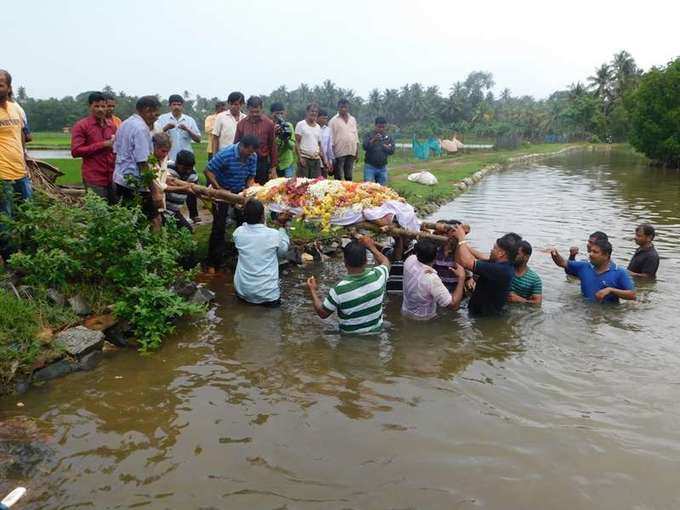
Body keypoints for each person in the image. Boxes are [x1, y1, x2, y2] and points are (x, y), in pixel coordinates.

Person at [307, 236, 390, 334]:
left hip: (350, 339)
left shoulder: (338, 290)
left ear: (345, 262)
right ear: (366, 261)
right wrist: (372, 247)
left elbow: (322, 313)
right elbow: (386, 262)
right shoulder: (378, 275)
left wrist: (312, 290)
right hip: (376, 334)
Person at [204, 134, 259, 272]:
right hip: (222, 192)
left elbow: (251, 176)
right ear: (242, 146)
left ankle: (240, 257)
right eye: (249, 151)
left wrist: (248, 189)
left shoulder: (252, 156)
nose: (250, 155)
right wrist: (219, 188)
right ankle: (213, 262)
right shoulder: (225, 154)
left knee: (245, 224)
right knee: (219, 226)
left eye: (253, 152)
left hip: (239, 192)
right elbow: (208, 171)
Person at [233, 199, 291, 306]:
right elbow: (283, 252)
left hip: (243, 292)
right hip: (268, 295)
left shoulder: (238, 233)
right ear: (262, 216)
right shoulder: (274, 235)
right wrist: (282, 226)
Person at [113, 95, 161, 222]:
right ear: (148, 111)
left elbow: (115, 151)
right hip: (135, 183)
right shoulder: (141, 129)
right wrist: (154, 191)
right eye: (155, 114)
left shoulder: (125, 124)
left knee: (128, 219)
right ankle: (154, 242)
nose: (156, 118)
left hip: (120, 179)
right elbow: (142, 163)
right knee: (155, 220)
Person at [452, 225, 519, 316]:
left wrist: (462, 238)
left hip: (483, 316)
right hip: (483, 313)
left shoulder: (499, 270)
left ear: (501, 253)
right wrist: (461, 241)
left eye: (494, 248)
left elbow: (466, 262)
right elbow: (482, 257)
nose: (491, 250)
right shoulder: (506, 265)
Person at [0, 69, 31, 263]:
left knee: (29, 215)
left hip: (21, 172)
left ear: (9, 87)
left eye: (0, 84)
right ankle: (11, 262)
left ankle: (29, 257)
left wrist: (25, 159)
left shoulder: (17, 109)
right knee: (5, 219)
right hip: (1, 175)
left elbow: (24, 136)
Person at [551, 238, 636, 303]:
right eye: (591, 251)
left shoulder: (619, 272)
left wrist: (611, 290)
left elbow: (632, 295)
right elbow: (562, 263)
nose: (590, 254)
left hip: (606, 315)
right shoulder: (584, 266)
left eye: (595, 252)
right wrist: (555, 254)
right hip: (585, 308)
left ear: (606, 255)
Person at [70, 91, 117, 203]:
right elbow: (75, 151)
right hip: (94, 177)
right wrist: (103, 145)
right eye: (96, 106)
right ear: (90, 106)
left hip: (112, 176)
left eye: (103, 106)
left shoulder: (112, 126)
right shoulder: (81, 126)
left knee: (116, 210)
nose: (100, 109)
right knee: (98, 212)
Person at [401, 239, 466, 320]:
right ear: (435, 257)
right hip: (424, 320)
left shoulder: (409, 260)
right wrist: (462, 278)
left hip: (405, 312)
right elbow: (454, 305)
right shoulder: (431, 279)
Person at [234, 96, 277, 185]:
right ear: (247, 109)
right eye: (252, 112)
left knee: (261, 190)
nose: (254, 114)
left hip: (262, 163)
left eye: (257, 112)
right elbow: (236, 145)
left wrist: (273, 167)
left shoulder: (269, 124)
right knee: (245, 188)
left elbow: (272, 145)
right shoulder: (241, 124)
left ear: (261, 109)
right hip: (245, 162)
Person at [154, 94, 201, 161]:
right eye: (174, 104)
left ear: (182, 106)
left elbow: (198, 139)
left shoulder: (189, 120)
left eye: (179, 105)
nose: (177, 107)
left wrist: (188, 129)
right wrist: (166, 128)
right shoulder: (162, 119)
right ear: (170, 106)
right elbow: (154, 138)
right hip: (167, 158)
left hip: (186, 159)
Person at [165, 150, 200, 231]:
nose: (187, 171)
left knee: (188, 231)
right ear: (177, 163)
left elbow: (194, 191)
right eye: (184, 168)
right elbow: (164, 187)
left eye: (189, 169)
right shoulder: (168, 168)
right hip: (163, 207)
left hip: (175, 210)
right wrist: (185, 188)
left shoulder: (193, 174)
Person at [295, 103, 328, 178]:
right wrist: (300, 158)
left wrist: (324, 160)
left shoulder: (318, 127)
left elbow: (319, 145)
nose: (314, 113)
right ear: (307, 112)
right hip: (304, 158)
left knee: (315, 184)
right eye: (312, 111)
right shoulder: (301, 124)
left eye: (316, 112)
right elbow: (297, 142)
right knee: (303, 183)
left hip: (316, 159)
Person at [328, 98, 359, 181]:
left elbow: (356, 136)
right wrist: (332, 155)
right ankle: (338, 193)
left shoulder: (353, 119)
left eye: (345, 107)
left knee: (349, 175)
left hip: (351, 151)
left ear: (348, 107)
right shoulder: (333, 121)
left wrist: (357, 151)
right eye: (341, 107)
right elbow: (330, 139)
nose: (344, 109)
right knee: (338, 176)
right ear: (338, 107)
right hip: (339, 152)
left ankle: (349, 192)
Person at [508, 240, 543, 305]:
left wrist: (520, 300)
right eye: (513, 253)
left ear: (526, 257)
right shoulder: (506, 268)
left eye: (517, 254)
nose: (513, 256)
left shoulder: (534, 279)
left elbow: (538, 303)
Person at [362, 116, 395, 185]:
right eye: (379, 127)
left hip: (383, 167)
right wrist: (374, 139)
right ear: (375, 126)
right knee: (368, 188)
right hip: (370, 167)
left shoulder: (388, 137)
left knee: (382, 190)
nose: (381, 129)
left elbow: (392, 151)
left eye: (383, 127)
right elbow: (364, 147)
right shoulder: (369, 135)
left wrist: (384, 145)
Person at [270, 102, 296, 178]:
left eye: (281, 113)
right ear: (272, 114)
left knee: (288, 186)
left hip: (287, 162)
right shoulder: (269, 126)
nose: (279, 116)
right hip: (273, 164)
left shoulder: (288, 126)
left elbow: (292, 147)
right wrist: (274, 134)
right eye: (277, 114)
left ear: (285, 113)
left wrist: (286, 140)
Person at [318, 108, 334, 177]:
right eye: (323, 118)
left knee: (323, 182)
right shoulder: (314, 128)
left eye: (326, 118)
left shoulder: (328, 130)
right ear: (318, 118)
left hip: (324, 161)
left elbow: (329, 147)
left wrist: (330, 161)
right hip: (314, 160)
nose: (325, 120)